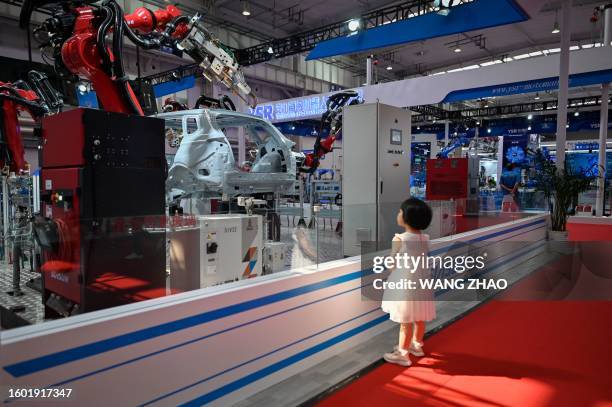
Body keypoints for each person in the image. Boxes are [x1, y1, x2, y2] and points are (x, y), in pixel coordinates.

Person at [382, 198, 436, 367]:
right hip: (421, 283)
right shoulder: (424, 238)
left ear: (407, 217)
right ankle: (416, 346)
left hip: (405, 284)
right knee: (419, 318)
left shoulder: (399, 238)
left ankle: (402, 354)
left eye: (400, 211)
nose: (398, 214)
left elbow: (391, 263)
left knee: (405, 321)